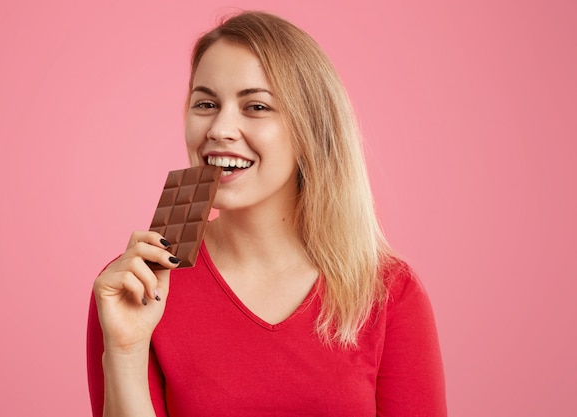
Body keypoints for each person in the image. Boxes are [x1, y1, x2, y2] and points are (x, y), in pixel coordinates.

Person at [87, 11, 446, 417]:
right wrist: (126, 350)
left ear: (310, 128)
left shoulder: (389, 293)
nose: (220, 128)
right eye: (206, 103)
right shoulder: (135, 285)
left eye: (255, 106)